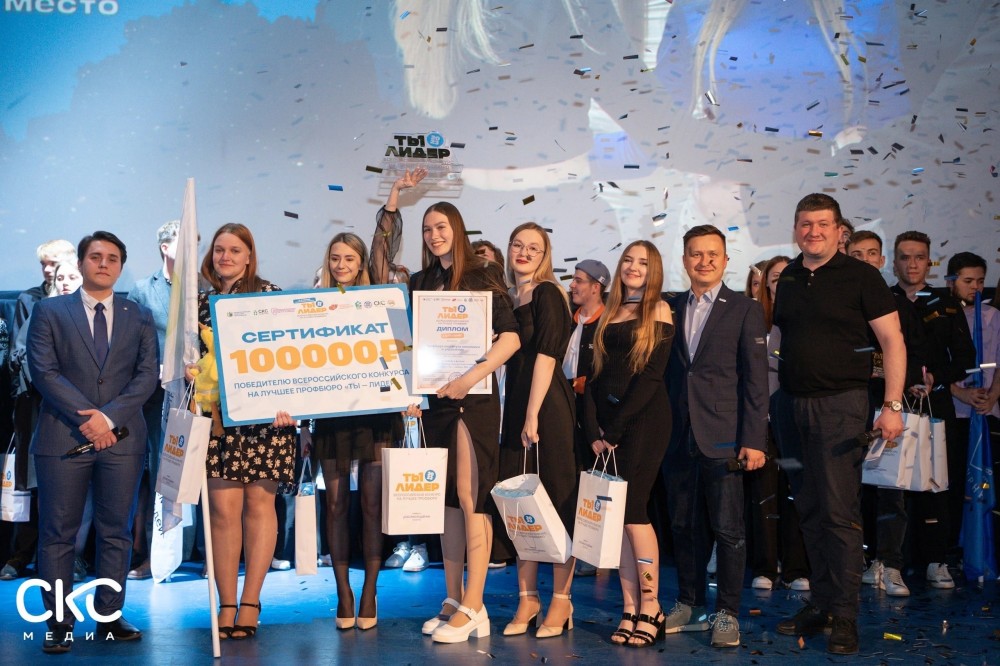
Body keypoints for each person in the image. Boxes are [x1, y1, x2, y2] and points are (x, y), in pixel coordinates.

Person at [771, 194, 905, 655]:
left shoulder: (862, 276)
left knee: (839, 514)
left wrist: (892, 405)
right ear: (796, 229)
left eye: (823, 224)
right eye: (805, 224)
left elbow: (892, 341)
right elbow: (783, 339)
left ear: (839, 230)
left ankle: (845, 615)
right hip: (790, 408)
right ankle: (823, 605)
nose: (813, 232)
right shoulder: (790, 276)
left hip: (841, 408)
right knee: (809, 509)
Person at [27, 231, 159, 653]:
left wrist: (108, 418)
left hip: (122, 439)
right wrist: (90, 418)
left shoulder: (138, 315)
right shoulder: (49, 311)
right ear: (82, 263)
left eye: (113, 258)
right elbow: (43, 371)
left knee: (116, 532)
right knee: (58, 534)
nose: (104, 263)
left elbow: (147, 374)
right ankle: (58, 622)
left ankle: (109, 616)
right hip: (62, 437)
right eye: (96, 256)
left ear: (121, 266)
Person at [408, 202, 520, 643]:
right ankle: (454, 598)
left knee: (472, 498)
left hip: (473, 401)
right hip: (437, 403)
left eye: (441, 226)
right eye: (427, 229)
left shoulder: (483, 275)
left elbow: (511, 338)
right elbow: (412, 345)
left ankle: (475, 604)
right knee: (448, 503)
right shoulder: (420, 282)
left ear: (457, 228)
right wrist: (410, 392)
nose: (434, 235)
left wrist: (470, 377)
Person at [662, 225, 768, 648]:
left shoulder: (744, 308)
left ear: (725, 260)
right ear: (684, 260)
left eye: (712, 254)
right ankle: (690, 604)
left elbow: (756, 380)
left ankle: (727, 613)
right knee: (683, 525)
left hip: (725, 436)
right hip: (677, 434)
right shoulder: (668, 306)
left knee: (728, 530)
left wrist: (754, 439)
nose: (703, 261)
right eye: (695, 254)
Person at [189, 223, 297, 641]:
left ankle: (251, 601)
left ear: (250, 256)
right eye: (220, 250)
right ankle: (227, 603)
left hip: (267, 422)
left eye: (235, 250)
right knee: (221, 512)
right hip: (219, 423)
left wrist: (293, 406)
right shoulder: (198, 304)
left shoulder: (270, 296)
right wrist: (188, 369)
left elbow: (292, 357)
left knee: (259, 507)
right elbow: (188, 358)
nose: (226, 257)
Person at [584, 240, 674, 648]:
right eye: (628, 260)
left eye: (643, 262)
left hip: (644, 424)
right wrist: (594, 430)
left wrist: (615, 430)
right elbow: (594, 376)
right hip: (607, 432)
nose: (634, 267)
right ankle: (629, 606)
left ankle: (652, 605)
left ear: (654, 271)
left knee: (635, 512)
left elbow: (651, 377)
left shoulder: (660, 310)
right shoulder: (609, 311)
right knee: (617, 518)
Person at [495, 223, 577, 638]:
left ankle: (562, 600)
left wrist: (532, 414)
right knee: (519, 506)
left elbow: (547, 355)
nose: (524, 253)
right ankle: (528, 599)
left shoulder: (548, 293)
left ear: (545, 256)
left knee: (557, 500)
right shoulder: (508, 296)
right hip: (517, 407)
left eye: (534, 248)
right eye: (517, 245)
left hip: (546, 408)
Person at [890, 230, 975, 585]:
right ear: (894, 262)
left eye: (919, 257)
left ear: (929, 262)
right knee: (890, 486)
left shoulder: (946, 303)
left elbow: (966, 359)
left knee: (937, 484)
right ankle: (889, 561)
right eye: (905, 257)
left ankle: (937, 560)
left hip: (937, 404)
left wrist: (935, 378)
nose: (912, 264)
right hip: (892, 404)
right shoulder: (882, 300)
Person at [847, 231, 928, 597]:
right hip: (847, 407)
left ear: (882, 261)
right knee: (849, 491)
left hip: (890, 408)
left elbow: (914, 354)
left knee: (891, 489)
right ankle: (855, 562)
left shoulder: (898, 304)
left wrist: (905, 384)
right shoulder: (839, 301)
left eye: (872, 254)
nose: (865, 260)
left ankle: (890, 564)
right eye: (857, 254)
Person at [2, 239, 76, 582]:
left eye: (54, 264)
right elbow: (19, 352)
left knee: (69, 486)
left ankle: (73, 557)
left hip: (72, 409)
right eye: (44, 264)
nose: (48, 270)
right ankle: (21, 555)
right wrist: (47, 383)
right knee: (31, 483)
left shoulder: (85, 303)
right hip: (34, 403)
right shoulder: (30, 300)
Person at [746, 254, 812, 592]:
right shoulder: (753, 320)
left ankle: (796, 569)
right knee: (765, 497)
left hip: (798, 422)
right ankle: (766, 567)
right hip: (763, 423)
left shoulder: (808, 318)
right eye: (775, 278)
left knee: (796, 495)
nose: (781, 283)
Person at [125, 219, 179, 581]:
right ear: (165, 246)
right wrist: (151, 366)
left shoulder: (204, 288)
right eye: (183, 241)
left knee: (196, 477)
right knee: (158, 477)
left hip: (197, 395)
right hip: (155, 398)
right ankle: (153, 558)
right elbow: (127, 343)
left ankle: (203, 555)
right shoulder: (143, 291)